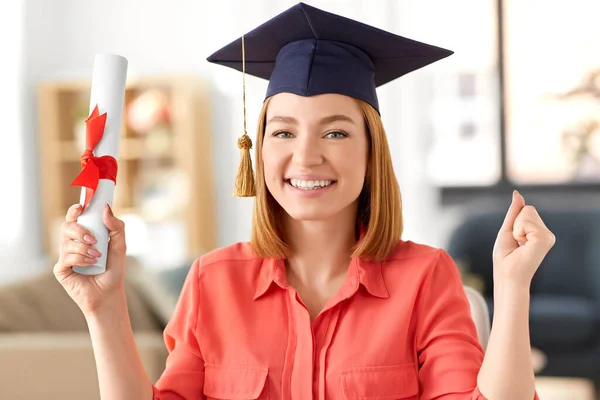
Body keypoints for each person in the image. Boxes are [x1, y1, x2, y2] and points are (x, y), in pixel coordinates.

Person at [54, 3, 554, 399]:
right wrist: (104, 309)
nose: (306, 157)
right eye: (284, 131)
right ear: (259, 149)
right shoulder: (211, 282)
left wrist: (512, 287)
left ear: (370, 150)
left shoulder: (425, 279)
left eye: (335, 133)